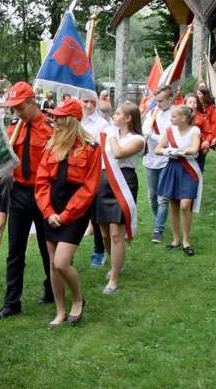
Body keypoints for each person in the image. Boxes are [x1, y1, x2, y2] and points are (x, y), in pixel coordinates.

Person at [34, 99, 101, 326]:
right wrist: (48, 212)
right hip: (51, 209)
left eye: (60, 117)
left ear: (71, 120)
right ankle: (60, 311)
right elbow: (42, 181)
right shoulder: (52, 144)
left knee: (62, 263)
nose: (55, 120)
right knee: (53, 264)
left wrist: (64, 216)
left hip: (75, 211)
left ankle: (78, 299)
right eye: (54, 116)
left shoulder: (91, 147)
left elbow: (89, 187)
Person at [0, 81, 55, 320]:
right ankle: (12, 302)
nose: (16, 113)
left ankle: (51, 289)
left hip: (43, 193)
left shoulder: (51, 127)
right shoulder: (14, 127)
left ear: (33, 102)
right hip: (19, 192)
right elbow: (9, 158)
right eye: (13, 109)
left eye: (20, 107)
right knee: (15, 249)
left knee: (45, 246)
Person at [97, 103, 145, 294]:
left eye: (117, 114)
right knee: (105, 233)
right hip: (103, 182)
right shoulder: (110, 134)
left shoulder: (138, 139)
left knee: (117, 233)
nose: (114, 116)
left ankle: (114, 278)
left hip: (124, 183)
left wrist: (111, 135)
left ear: (128, 118)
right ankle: (116, 264)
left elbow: (118, 154)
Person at [155, 105, 202, 256]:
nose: (171, 118)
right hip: (173, 168)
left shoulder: (194, 130)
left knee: (185, 205)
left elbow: (195, 149)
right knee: (173, 205)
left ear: (183, 118)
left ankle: (186, 240)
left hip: (188, 169)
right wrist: (169, 151)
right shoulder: (170, 131)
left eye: (174, 116)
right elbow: (158, 149)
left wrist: (177, 151)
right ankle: (176, 239)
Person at [142, 85, 174, 244]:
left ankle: (158, 228)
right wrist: (145, 133)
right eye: (156, 101)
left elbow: (167, 137)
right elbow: (144, 129)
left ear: (170, 99)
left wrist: (152, 135)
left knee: (163, 198)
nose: (158, 104)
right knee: (151, 196)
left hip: (165, 160)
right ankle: (158, 220)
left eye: (161, 101)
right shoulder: (152, 112)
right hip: (150, 160)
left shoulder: (173, 115)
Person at [79, 95, 108, 267]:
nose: (89, 105)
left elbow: (98, 147)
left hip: (94, 172)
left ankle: (99, 251)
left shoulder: (102, 123)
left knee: (96, 216)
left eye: (92, 101)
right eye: (85, 101)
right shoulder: (75, 120)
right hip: (76, 172)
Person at [185, 93, 213, 172]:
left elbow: (209, 132)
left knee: (197, 171)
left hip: (198, 150)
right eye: (190, 102)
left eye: (194, 102)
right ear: (185, 103)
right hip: (184, 148)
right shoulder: (180, 116)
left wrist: (207, 141)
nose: (192, 104)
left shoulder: (201, 117)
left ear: (198, 104)